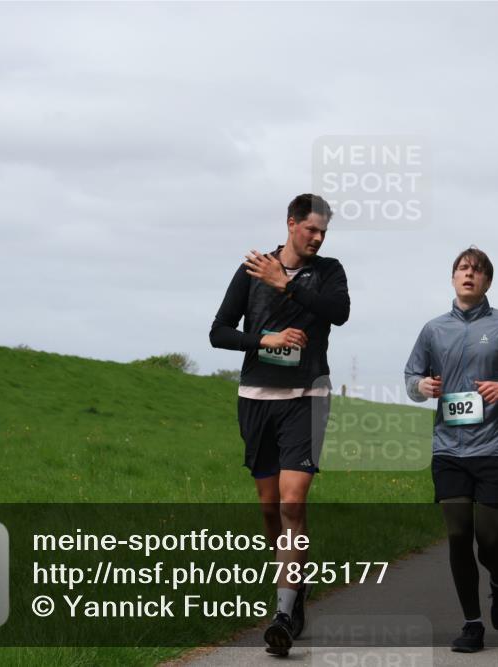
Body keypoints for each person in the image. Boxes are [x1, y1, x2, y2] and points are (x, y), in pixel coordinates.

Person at [209, 193, 350, 656]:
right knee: (271, 508)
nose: (317, 238)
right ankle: (296, 582)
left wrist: (286, 285)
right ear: (291, 224)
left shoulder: (328, 272)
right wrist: (264, 337)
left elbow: (339, 313)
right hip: (256, 398)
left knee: (293, 501)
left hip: (307, 395)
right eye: (310, 229)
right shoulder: (253, 268)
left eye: (323, 232)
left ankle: (284, 612)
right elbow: (219, 332)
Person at [404, 246, 498, 653]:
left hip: (497, 448)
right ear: (453, 278)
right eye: (463, 268)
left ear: (487, 281)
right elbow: (411, 374)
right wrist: (421, 387)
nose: (470, 274)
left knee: (488, 539)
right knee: (457, 534)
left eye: (478, 270)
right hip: (449, 447)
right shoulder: (433, 330)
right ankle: (471, 623)